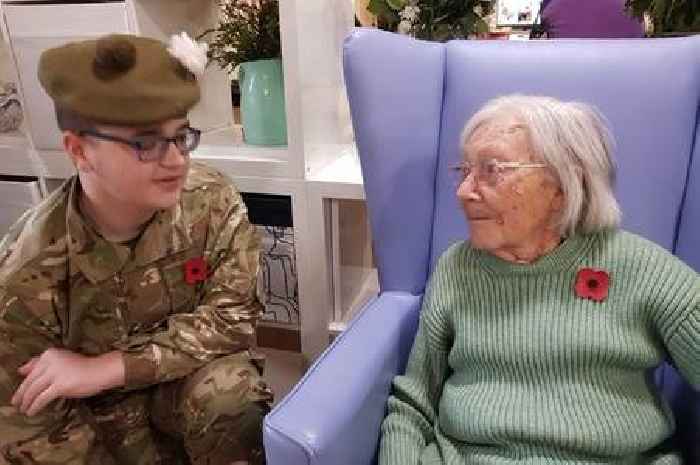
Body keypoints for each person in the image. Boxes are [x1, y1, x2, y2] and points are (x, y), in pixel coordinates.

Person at [378, 95, 699, 465]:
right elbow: (413, 406)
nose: (464, 192)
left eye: (492, 169)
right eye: (464, 170)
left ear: (564, 186)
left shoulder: (642, 270)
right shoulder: (456, 269)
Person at [0, 32, 272, 465]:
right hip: (91, 424)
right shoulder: (24, 273)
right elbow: (30, 428)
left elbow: (232, 321)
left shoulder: (211, 201)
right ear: (79, 150)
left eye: (181, 136)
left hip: (178, 391)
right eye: (145, 142)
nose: (176, 160)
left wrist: (105, 367)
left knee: (232, 395)